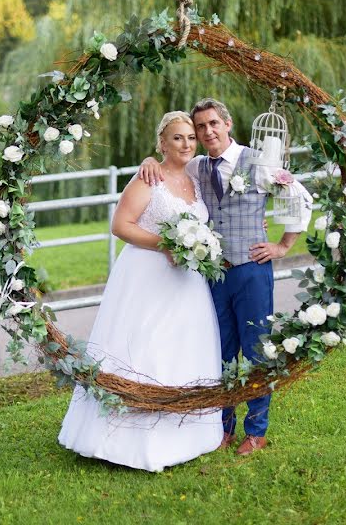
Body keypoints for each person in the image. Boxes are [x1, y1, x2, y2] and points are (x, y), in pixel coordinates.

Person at [138, 98, 312, 456]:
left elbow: (301, 198)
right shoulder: (198, 165)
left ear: (228, 124)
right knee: (219, 353)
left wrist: (282, 245)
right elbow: (169, 166)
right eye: (200, 127)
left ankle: (256, 431)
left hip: (251, 271)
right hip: (214, 275)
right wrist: (149, 160)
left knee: (255, 350)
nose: (207, 132)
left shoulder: (259, 162)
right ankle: (223, 427)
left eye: (213, 123)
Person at [58, 111, 224, 472]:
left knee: (182, 349)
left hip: (186, 283)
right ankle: (122, 440)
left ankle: (186, 433)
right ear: (161, 143)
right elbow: (121, 225)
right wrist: (164, 243)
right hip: (147, 276)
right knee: (142, 349)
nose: (186, 144)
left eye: (190, 138)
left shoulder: (196, 175)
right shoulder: (149, 176)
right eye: (177, 138)